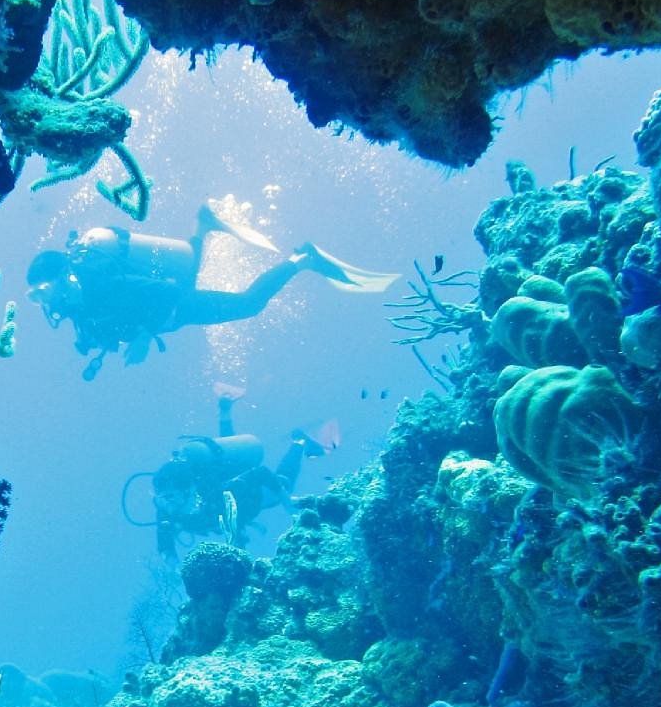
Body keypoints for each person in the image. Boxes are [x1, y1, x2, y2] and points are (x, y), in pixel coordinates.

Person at [27, 201, 398, 378]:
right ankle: (202, 226)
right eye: (36, 297)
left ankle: (303, 259)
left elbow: (167, 292)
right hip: (171, 314)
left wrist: (141, 335)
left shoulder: (103, 282)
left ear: (63, 275)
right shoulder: (76, 307)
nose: (44, 301)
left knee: (249, 304)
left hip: (177, 308)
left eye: (43, 289)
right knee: (189, 266)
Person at [125, 387, 335, 557]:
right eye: (160, 500)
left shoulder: (217, 491)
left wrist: (287, 503)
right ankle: (225, 409)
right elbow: (165, 544)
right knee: (225, 460)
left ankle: (298, 442)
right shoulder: (167, 510)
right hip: (231, 484)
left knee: (283, 482)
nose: (165, 505)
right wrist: (170, 562)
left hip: (254, 495)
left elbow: (260, 472)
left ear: (188, 489)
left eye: (169, 497)